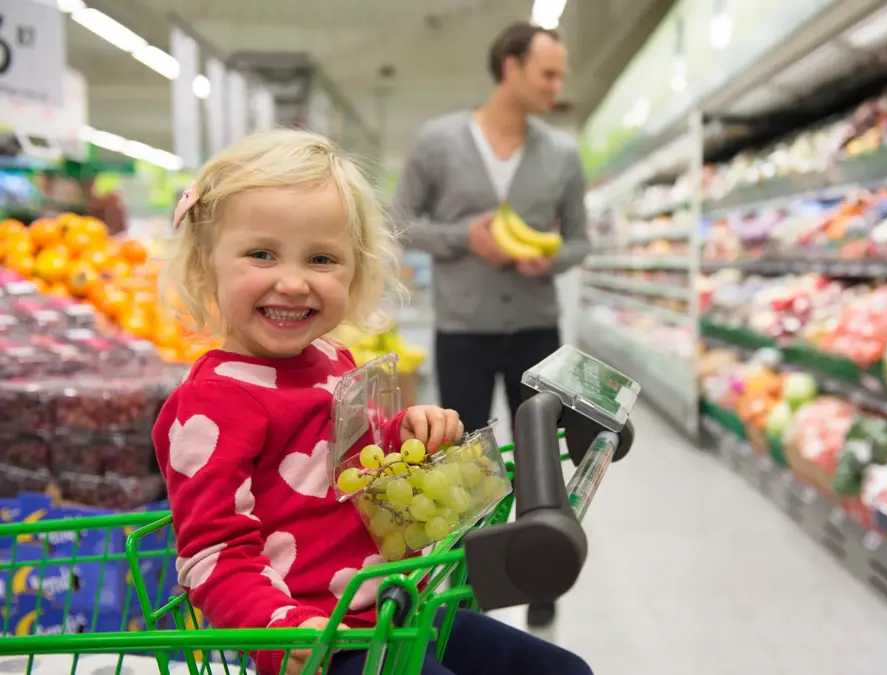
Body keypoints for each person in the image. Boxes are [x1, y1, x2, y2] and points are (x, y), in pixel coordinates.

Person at [153, 129, 593, 675]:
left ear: (356, 271)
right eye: (261, 255)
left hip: (398, 611)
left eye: (321, 259)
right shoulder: (212, 406)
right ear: (205, 266)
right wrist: (281, 630)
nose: (292, 282)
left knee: (563, 671)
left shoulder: (334, 360)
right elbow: (213, 556)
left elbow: (363, 467)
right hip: (323, 643)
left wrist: (410, 431)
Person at [393, 22, 590, 627]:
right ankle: (465, 580)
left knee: (544, 456)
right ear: (510, 67)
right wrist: (463, 239)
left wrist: (551, 256)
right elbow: (399, 220)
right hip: (463, 329)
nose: (558, 86)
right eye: (547, 74)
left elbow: (580, 240)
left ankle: (542, 575)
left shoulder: (560, 153)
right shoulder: (438, 141)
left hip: (536, 328)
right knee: (467, 460)